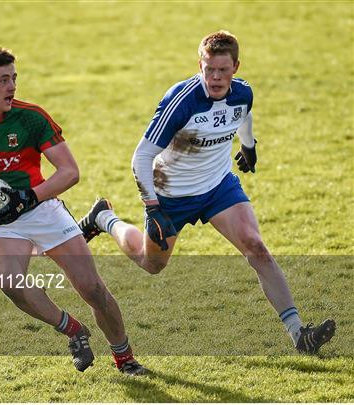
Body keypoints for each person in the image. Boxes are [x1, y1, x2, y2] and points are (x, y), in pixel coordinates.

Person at [78, 31, 336, 355]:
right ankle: (105, 218)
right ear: (199, 65)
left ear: (236, 67)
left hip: (218, 187)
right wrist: (153, 207)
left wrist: (249, 145)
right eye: (209, 69)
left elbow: (243, 113)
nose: (215, 77)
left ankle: (299, 333)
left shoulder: (243, 93)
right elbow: (140, 157)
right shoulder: (182, 101)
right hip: (171, 194)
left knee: (257, 247)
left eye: (223, 70)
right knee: (151, 263)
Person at [0, 48, 146, 375]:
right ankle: (73, 330)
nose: (12, 86)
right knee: (9, 282)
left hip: (41, 209)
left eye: (14, 78)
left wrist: (29, 197)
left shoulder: (30, 117)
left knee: (92, 288)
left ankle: (124, 357)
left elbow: (69, 171)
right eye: (3, 80)